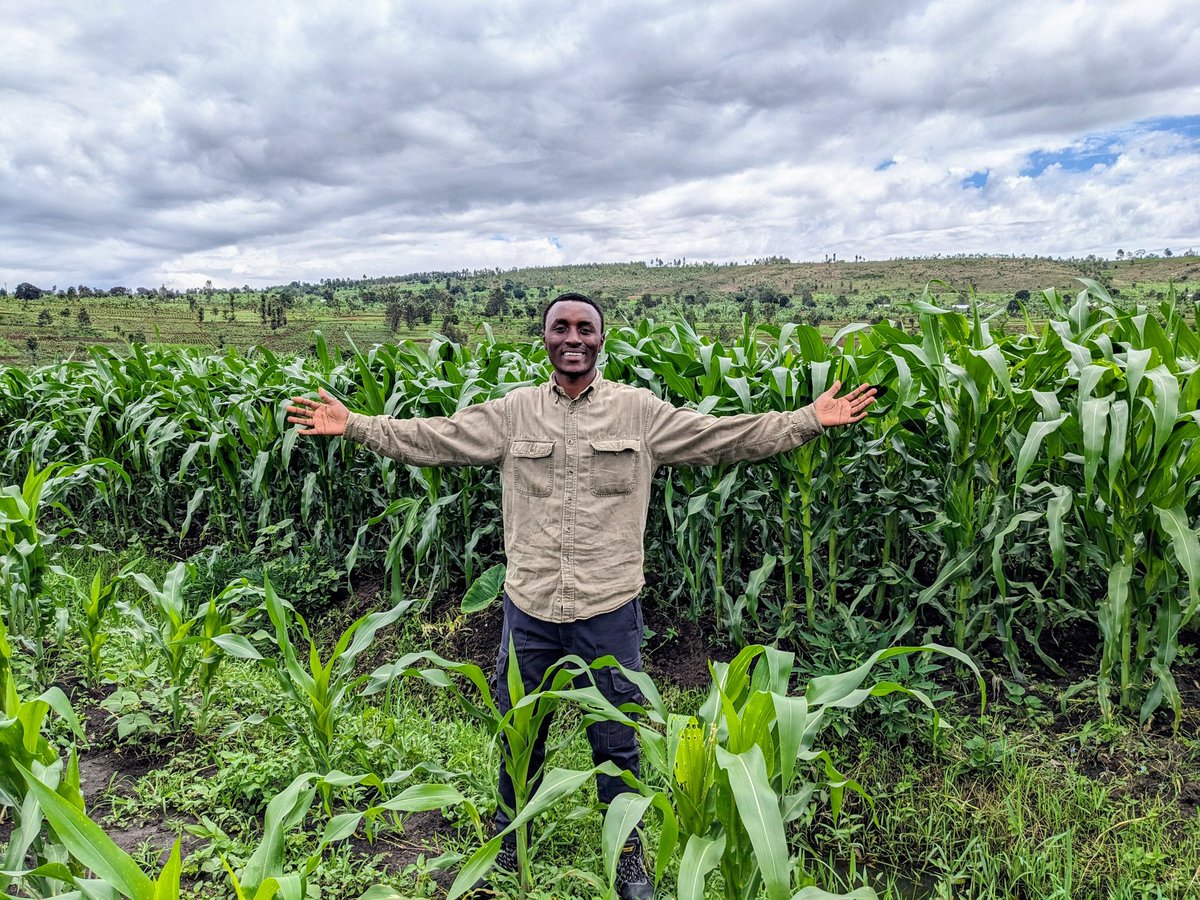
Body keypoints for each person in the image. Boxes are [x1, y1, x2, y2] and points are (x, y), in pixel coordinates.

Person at [287, 292, 875, 899]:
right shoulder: (515, 413)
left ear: (601, 339)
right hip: (531, 610)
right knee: (521, 735)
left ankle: (628, 859)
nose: (573, 337)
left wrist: (807, 419)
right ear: (544, 339)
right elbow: (436, 438)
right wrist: (355, 426)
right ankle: (509, 842)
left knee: (617, 740)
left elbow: (722, 437)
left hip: (609, 609)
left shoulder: (639, 413)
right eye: (560, 327)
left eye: (585, 328)